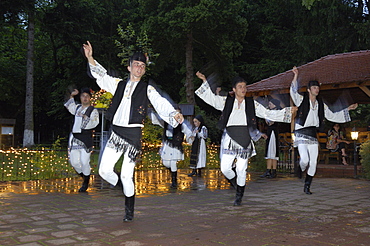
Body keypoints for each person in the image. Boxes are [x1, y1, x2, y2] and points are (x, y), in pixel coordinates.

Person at [82, 41, 184, 222]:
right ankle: (124, 189)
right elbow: (102, 77)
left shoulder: (147, 89)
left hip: (134, 135)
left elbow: (160, 103)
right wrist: (90, 57)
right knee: (104, 171)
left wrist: (174, 113)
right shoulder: (118, 84)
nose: (139, 68)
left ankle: (129, 211)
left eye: (142, 66)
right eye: (136, 64)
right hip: (116, 134)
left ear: (144, 70)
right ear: (129, 67)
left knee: (127, 174)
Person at [195, 71, 296, 206]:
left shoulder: (251, 104)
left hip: (244, 138)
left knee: (241, 168)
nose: (243, 89)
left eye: (244, 86)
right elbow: (211, 99)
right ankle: (237, 184)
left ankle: (239, 196)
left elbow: (267, 113)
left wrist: (287, 112)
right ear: (234, 89)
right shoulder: (226, 101)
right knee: (225, 168)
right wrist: (204, 81)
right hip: (230, 137)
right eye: (240, 87)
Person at [290, 66, 358, 194]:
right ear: (309, 90)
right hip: (301, 132)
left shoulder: (321, 104)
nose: (317, 89)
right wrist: (295, 75)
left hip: (312, 133)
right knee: (304, 159)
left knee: (314, 162)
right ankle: (300, 168)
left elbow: (332, 115)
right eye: (314, 88)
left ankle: (307, 186)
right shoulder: (301, 100)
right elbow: (293, 91)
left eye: (318, 88)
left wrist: (348, 109)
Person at [64, 88, 99, 192]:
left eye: (87, 96)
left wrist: (85, 118)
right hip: (75, 139)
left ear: (90, 98)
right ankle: (85, 178)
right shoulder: (78, 108)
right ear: (80, 97)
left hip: (86, 138)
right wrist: (72, 95)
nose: (85, 98)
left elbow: (94, 122)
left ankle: (85, 183)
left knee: (84, 162)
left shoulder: (93, 110)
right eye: (83, 96)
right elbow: (70, 106)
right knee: (74, 162)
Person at [150, 108, 191, 188]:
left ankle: (174, 181)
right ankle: (173, 173)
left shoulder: (181, 125)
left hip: (175, 144)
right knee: (165, 162)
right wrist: (152, 113)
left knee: (173, 162)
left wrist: (190, 136)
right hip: (168, 143)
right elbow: (158, 121)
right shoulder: (166, 122)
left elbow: (187, 130)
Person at [260, 99, 282, 178]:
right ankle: (268, 170)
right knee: (269, 152)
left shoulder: (277, 112)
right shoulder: (270, 112)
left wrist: (267, 116)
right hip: (269, 132)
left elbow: (271, 122)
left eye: (270, 104)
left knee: (273, 151)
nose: (269, 105)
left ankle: (274, 171)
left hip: (273, 133)